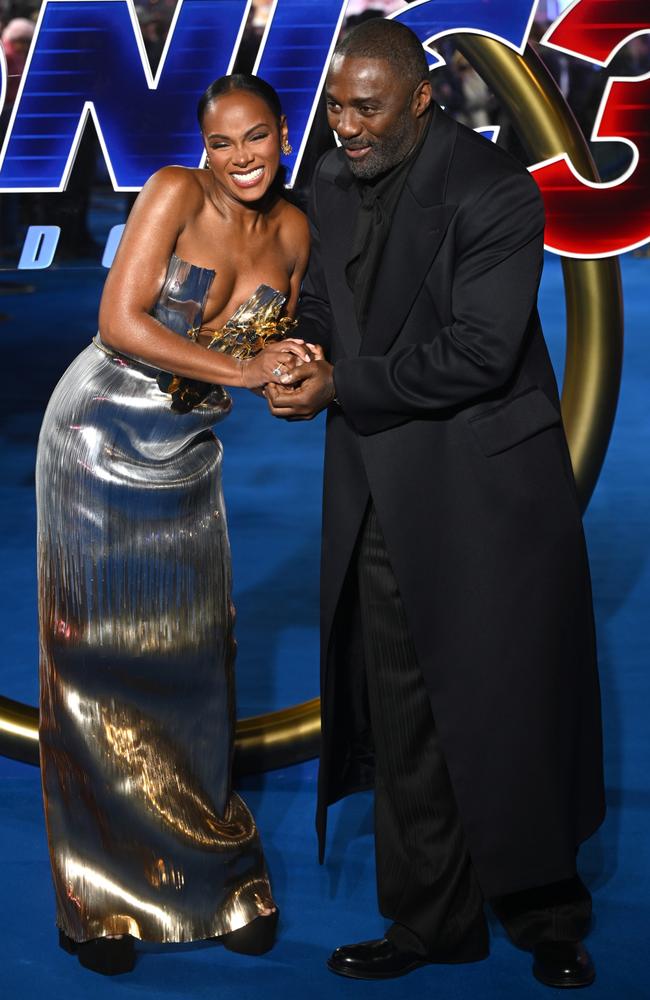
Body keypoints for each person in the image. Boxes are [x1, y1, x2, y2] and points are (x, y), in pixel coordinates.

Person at [266, 18, 605, 990]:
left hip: (486, 491)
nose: (345, 124)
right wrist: (299, 353)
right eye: (335, 105)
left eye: (366, 106)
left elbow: (478, 352)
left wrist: (340, 387)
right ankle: (425, 920)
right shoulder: (328, 176)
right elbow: (326, 304)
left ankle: (547, 915)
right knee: (402, 704)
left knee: (509, 704)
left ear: (422, 97)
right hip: (377, 487)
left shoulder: (493, 191)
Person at [36, 73, 310, 976]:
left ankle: (223, 880)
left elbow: (272, 366)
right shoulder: (173, 191)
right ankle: (100, 899)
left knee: (196, 665)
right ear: (205, 146)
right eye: (224, 142)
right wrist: (249, 371)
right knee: (93, 667)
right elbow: (119, 322)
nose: (241, 158)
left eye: (257, 137)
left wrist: (298, 373)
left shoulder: (296, 231)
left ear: (281, 133)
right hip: (95, 438)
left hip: (187, 458)